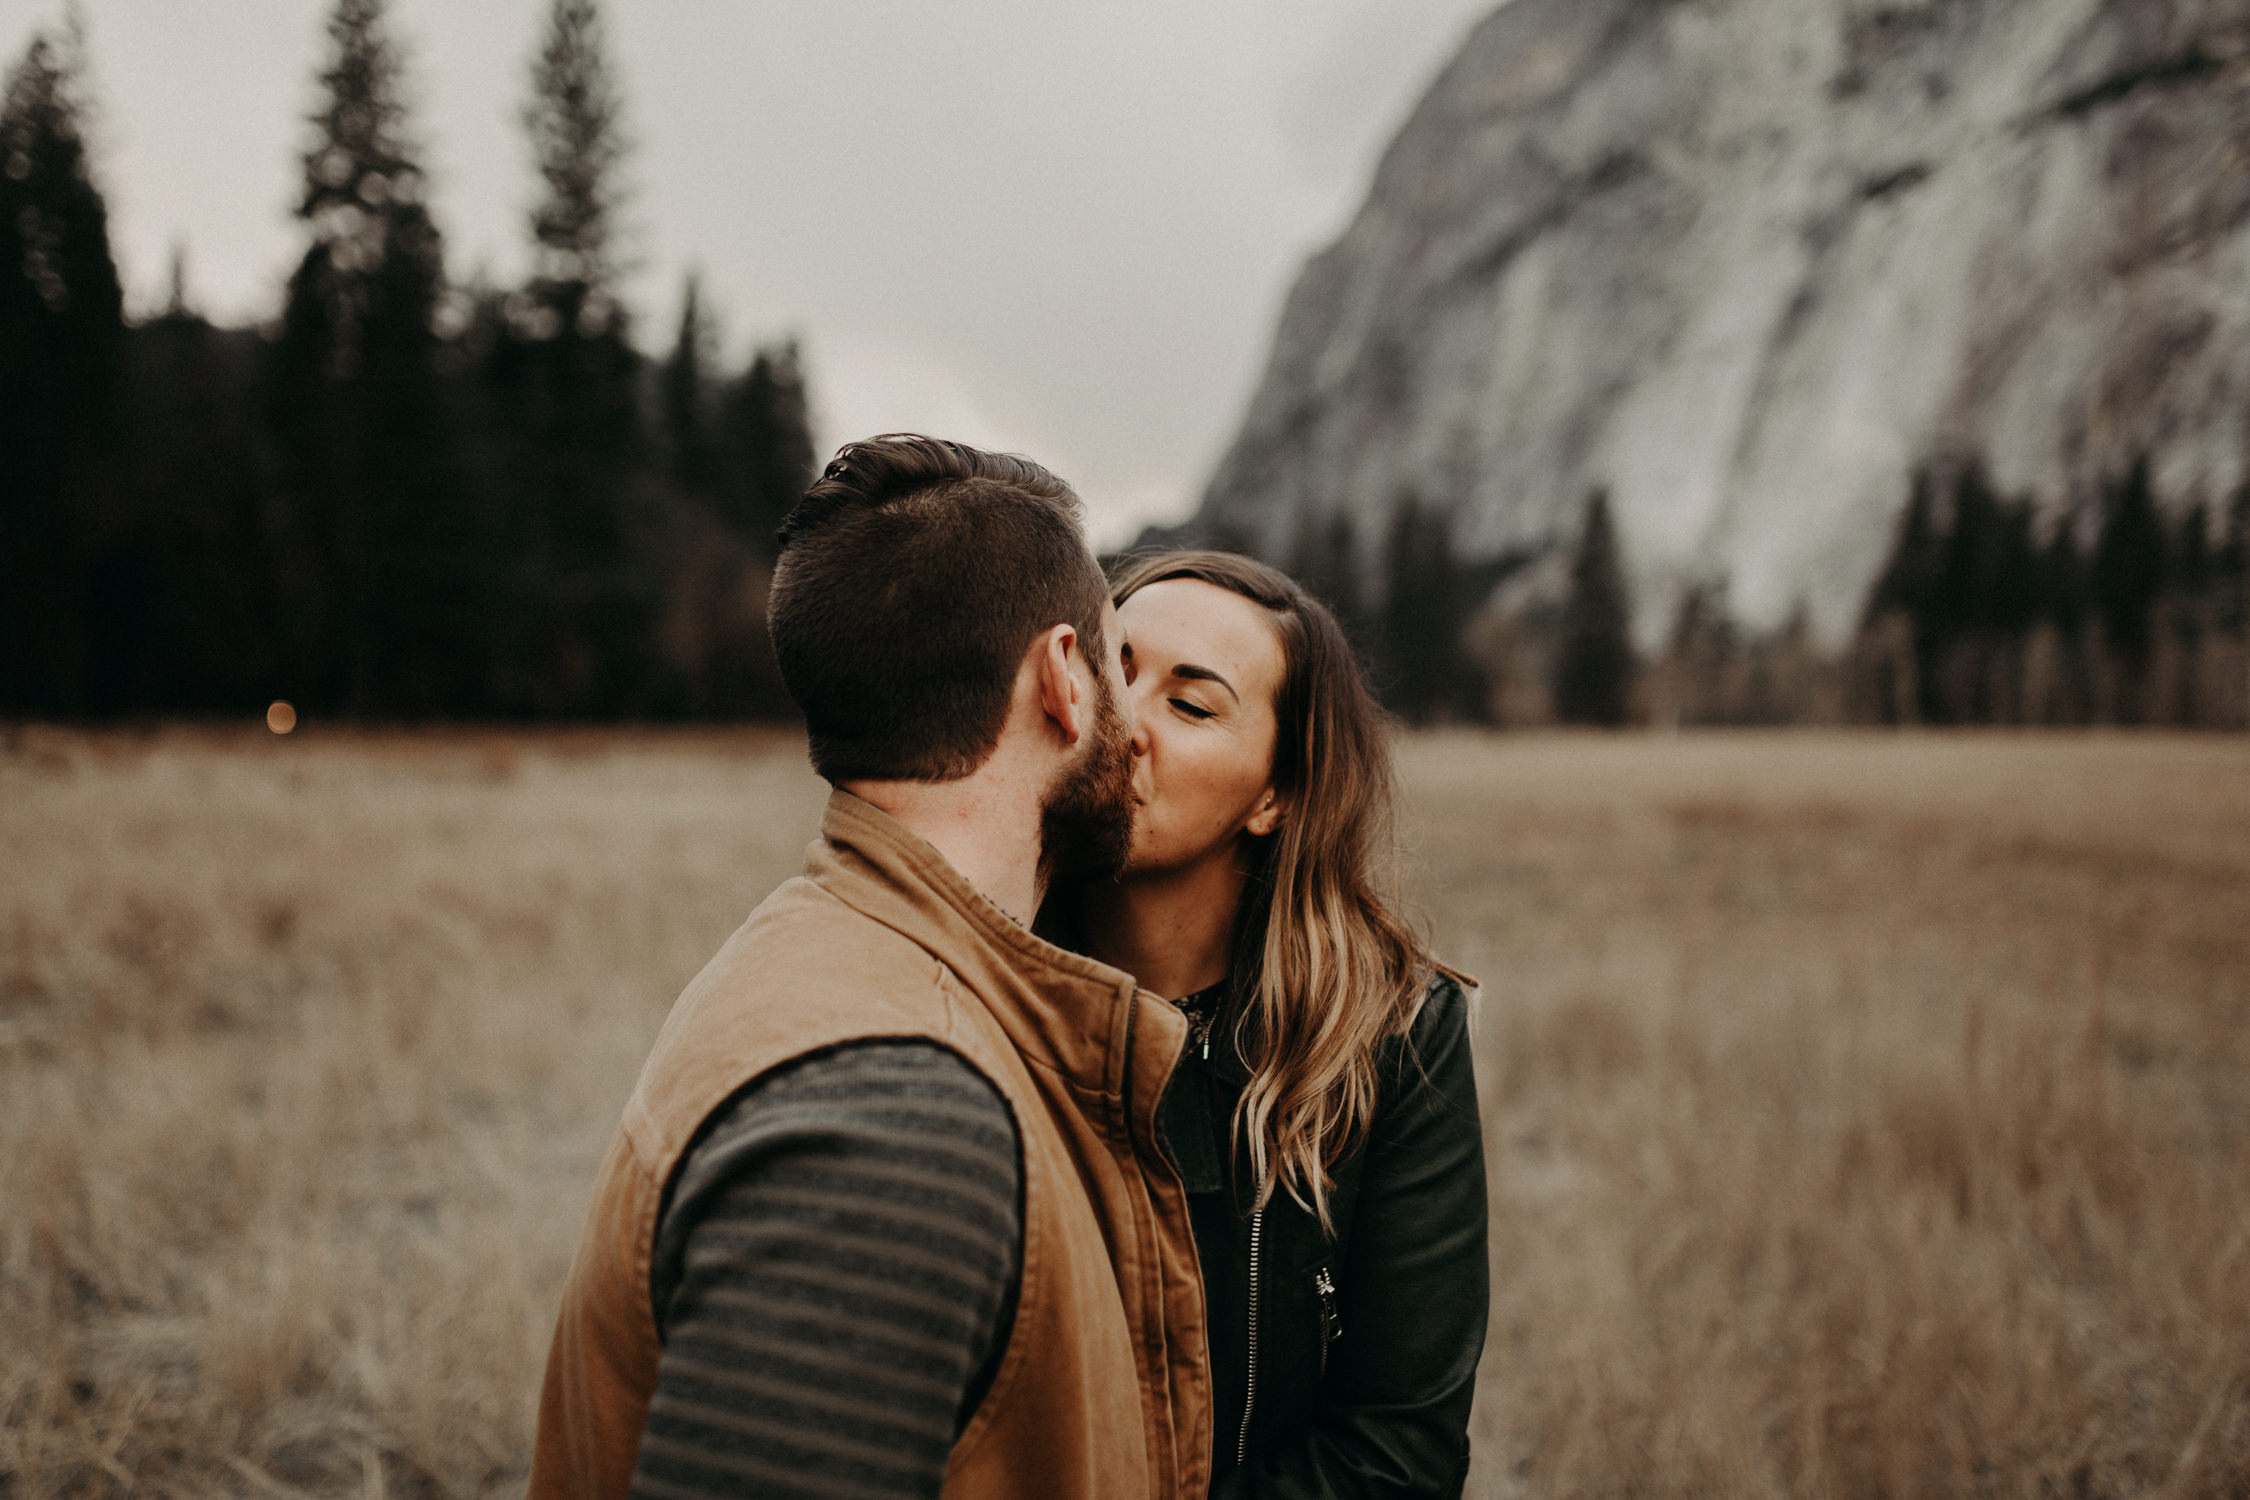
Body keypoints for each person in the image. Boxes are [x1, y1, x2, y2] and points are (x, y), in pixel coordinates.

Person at [527, 436, 1213, 1500]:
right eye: (1118, 666)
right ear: (1063, 679)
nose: (1139, 727)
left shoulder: (821, 949)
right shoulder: (896, 1117)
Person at [1048, 550, 1489, 1499]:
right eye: (1112, 668)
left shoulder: (1391, 1036)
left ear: (1275, 796)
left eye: (1191, 704)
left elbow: (1396, 1455)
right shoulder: (975, 982)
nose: (1123, 719)